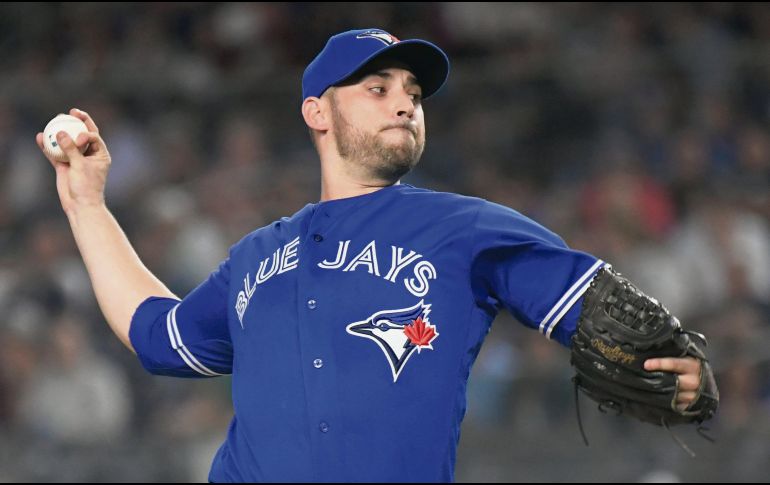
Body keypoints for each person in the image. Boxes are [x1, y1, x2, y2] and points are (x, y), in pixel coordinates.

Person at [36, 28, 706, 482]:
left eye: (414, 95)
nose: (405, 105)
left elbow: (592, 305)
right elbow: (160, 335)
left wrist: (673, 365)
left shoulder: (464, 229)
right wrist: (87, 205)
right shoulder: (254, 257)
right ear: (317, 113)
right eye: (378, 88)